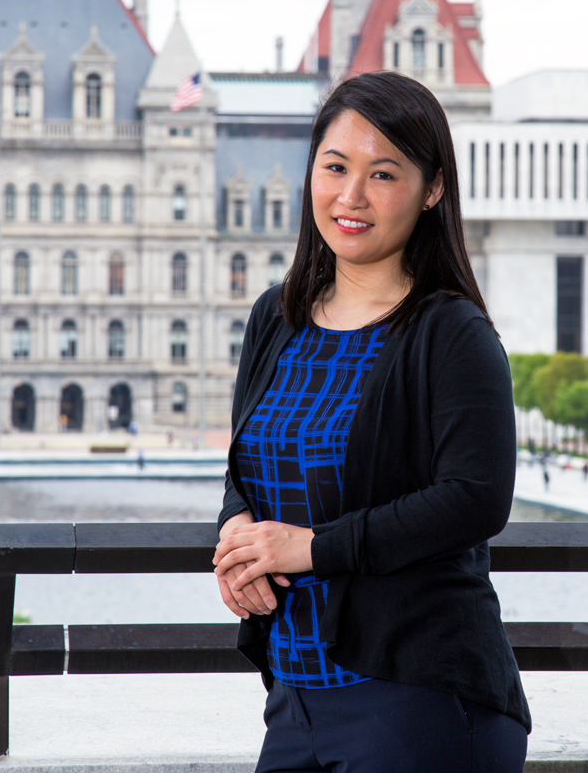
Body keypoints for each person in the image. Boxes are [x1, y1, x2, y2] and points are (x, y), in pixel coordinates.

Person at [212, 72, 528, 772]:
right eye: (335, 167)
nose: (350, 196)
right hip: (294, 697)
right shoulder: (277, 316)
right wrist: (236, 530)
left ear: (432, 189)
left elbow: (476, 498)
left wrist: (310, 549)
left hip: (419, 701)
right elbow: (249, 464)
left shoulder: (451, 332)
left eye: (383, 174)